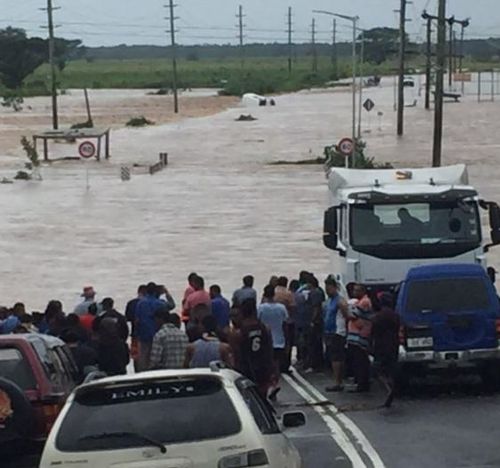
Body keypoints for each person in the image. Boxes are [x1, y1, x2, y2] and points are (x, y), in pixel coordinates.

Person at [135, 282, 175, 371]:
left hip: (143, 335)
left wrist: (137, 334)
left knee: (143, 359)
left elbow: (137, 321)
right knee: (157, 360)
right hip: (158, 335)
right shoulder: (160, 303)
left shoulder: (140, 303)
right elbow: (172, 305)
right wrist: (167, 293)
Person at [238, 299, 274, 399]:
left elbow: (237, 353)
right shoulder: (265, 328)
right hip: (262, 365)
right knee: (262, 395)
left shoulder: (240, 331)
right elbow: (270, 349)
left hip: (247, 366)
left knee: (248, 396)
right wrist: (272, 368)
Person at [258, 285, 288, 401]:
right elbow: (285, 324)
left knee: (266, 365)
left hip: (266, 341)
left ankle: (268, 386)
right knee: (276, 365)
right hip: (279, 340)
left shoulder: (261, 308)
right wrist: (287, 340)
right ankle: (275, 384)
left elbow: (258, 323)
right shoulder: (281, 308)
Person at [371, 293, 400, 408]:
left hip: (381, 345)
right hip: (393, 344)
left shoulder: (378, 316)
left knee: (376, 369)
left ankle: (387, 386)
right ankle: (392, 384)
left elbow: (373, 332)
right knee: (391, 367)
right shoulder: (395, 315)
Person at [323, 277, 349, 392]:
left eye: (329, 289)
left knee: (336, 358)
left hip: (337, 332)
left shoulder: (340, 300)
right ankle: (338, 380)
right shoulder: (329, 300)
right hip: (330, 332)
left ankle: (338, 382)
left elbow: (346, 315)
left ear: (335, 288)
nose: (327, 291)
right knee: (334, 357)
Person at [346, 284, 373, 393]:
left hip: (360, 336)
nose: (354, 293)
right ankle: (360, 382)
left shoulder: (364, 302)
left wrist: (345, 308)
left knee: (360, 361)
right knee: (358, 360)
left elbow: (352, 315)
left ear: (362, 291)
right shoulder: (359, 302)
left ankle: (362, 384)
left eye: (357, 291)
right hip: (356, 336)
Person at [274, 276, 296, 373]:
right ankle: (285, 365)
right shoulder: (288, 293)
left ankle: (275, 365)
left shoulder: (273, 291)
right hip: (287, 321)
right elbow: (293, 306)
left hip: (274, 320)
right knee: (287, 343)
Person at [306, 275, 326, 372]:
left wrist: (312, 320)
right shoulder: (320, 291)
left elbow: (316, 308)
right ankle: (319, 363)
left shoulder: (314, 293)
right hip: (319, 321)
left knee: (313, 343)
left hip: (315, 322)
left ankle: (314, 364)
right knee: (317, 342)